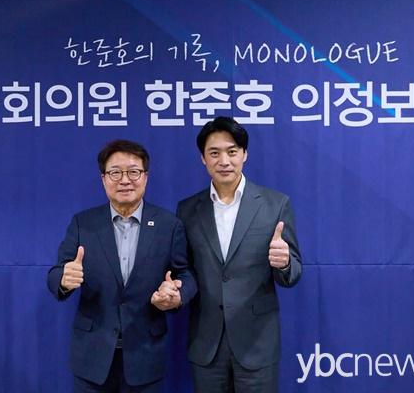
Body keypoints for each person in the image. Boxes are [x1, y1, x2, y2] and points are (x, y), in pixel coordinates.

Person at [47, 139, 196, 393]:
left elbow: (186, 274)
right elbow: (56, 273)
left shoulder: (168, 225)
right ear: (103, 179)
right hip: (92, 357)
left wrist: (176, 294)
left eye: (133, 172)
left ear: (145, 177)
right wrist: (64, 279)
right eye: (115, 173)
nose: (125, 180)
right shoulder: (83, 223)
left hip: (145, 354)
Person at [176, 116, 302, 392]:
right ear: (203, 159)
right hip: (206, 343)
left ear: (244, 154)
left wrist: (283, 264)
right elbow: (185, 271)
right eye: (214, 153)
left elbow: (292, 274)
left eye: (232, 151)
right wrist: (175, 291)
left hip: (257, 342)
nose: (224, 161)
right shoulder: (187, 210)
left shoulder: (275, 204)